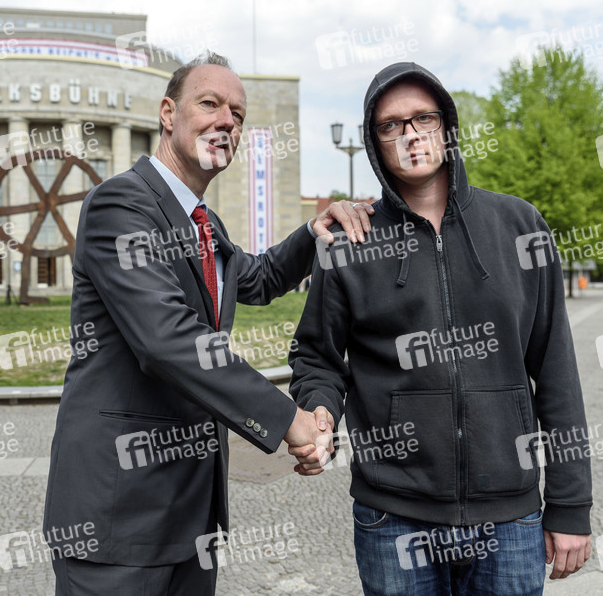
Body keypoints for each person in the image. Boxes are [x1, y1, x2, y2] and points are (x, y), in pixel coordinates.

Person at [43, 51, 373, 595]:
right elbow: (166, 338)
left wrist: (315, 230)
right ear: (168, 113)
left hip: (192, 518)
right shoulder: (119, 205)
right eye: (210, 104)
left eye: (238, 115)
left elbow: (258, 278)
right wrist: (288, 419)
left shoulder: (204, 223)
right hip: (118, 516)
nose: (226, 122)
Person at [288, 61, 592, 595]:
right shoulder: (350, 244)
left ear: (447, 126)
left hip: (510, 517)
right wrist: (320, 409)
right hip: (393, 517)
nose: (410, 134)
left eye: (423, 118)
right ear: (374, 141)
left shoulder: (520, 226)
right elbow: (316, 357)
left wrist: (570, 503)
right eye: (390, 125)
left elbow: (557, 370)